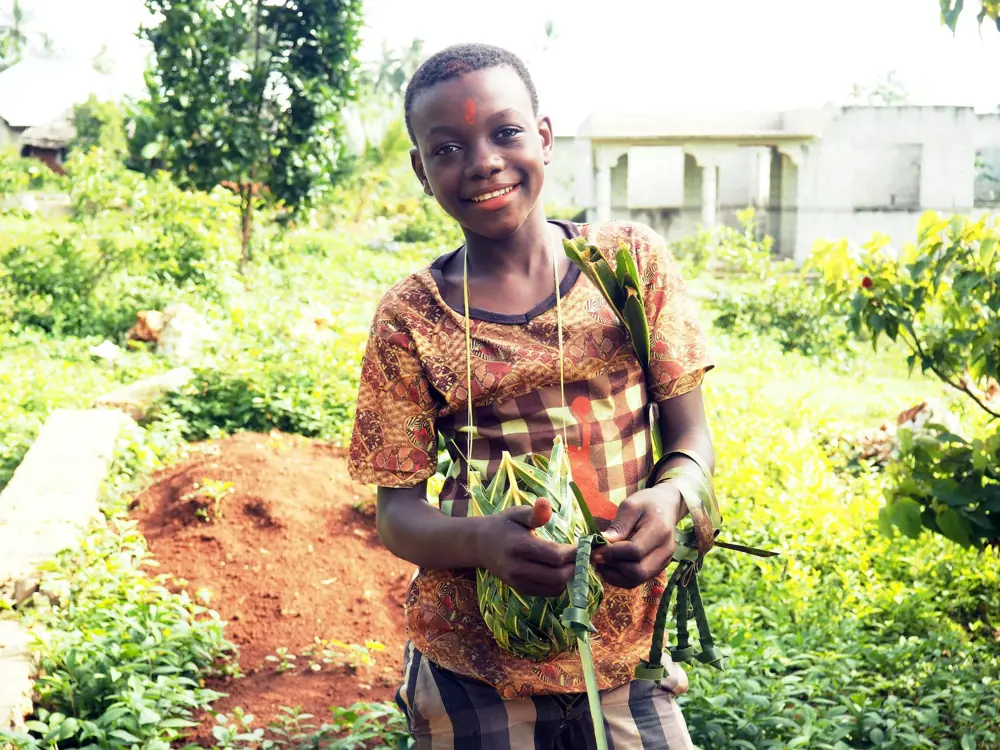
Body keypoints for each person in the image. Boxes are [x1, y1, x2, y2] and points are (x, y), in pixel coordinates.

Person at [348, 41, 716, 750]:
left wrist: (670, 501)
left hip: (625, 651)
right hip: (472, 664)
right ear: (422, 172)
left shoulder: (625, 267)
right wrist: (482, 543)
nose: (483, 161)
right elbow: (395, 514)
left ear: (544, 139)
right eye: (448, 148)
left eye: (506, 132)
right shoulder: (412, 316)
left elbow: (691, 440)